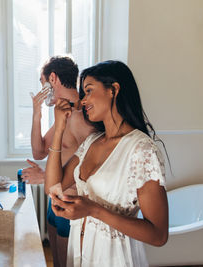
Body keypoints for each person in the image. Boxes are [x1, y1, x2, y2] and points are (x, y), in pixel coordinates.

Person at [45, 60, 169, 267]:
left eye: (89, 91)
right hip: (78, 255)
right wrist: (59, 128)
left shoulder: (142, 150)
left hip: (114, 259)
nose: (83, 101)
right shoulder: (91, 142)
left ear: (114, 89)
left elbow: (158, 235)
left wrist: (93, 210)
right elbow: (52, 186)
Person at [21, 56, 94, 267]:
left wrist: (44, 176)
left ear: (52, 78)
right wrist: (37, 114)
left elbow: (91, 168)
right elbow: (39, 152)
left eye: (42, 82)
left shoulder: (80, 115)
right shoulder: (64, 112)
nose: (41, 90)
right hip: (56, 204)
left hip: (71, 205)